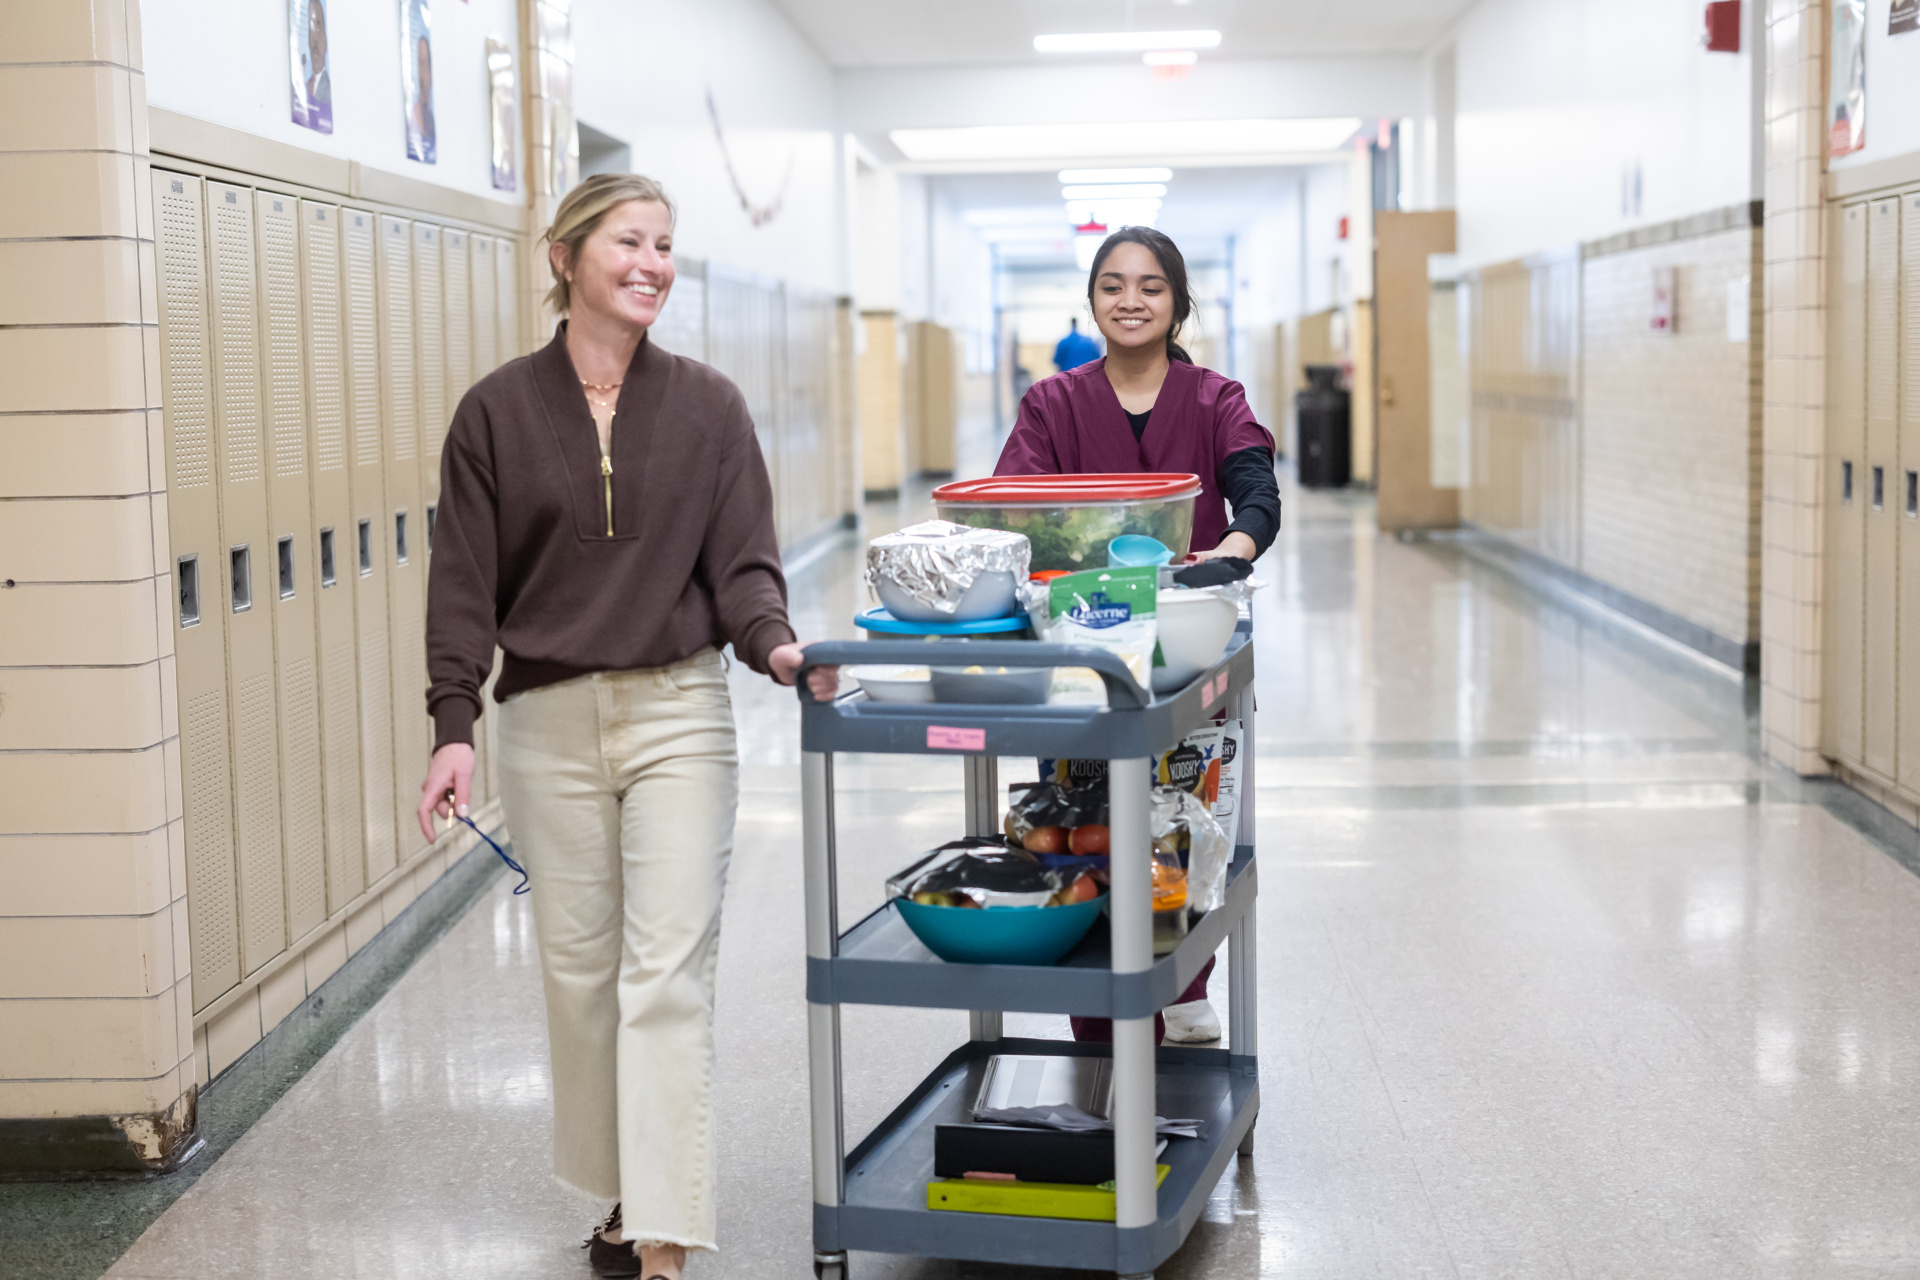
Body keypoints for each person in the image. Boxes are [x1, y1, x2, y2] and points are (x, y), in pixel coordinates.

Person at [417, 173, 836, 1280]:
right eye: (627, 242)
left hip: (677, 711)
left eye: (664, 245)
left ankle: (662, 1240)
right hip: (544, 720)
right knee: (580, 972)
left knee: (667, 972)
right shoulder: (497, 411)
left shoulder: (707, 405)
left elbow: (744, 566)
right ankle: (624, 1190)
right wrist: (452, 721)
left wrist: (778, 646)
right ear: (566, 257)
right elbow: (463, 583)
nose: (650, 263)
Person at [994, 226, 1280, 1044]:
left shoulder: (1216, 399)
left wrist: (1228, 553)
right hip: (1085, 657)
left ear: (1177, 303)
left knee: (1191, 813)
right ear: (1091, 300)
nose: (1130, 300)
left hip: (1190, 646)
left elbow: (1257, 490)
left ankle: (1186, 977)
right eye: (1113, 285)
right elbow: (1016, 510)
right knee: (1085, 823)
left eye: (1151, 286)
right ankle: (1102, 1012)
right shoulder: (1053, 404)